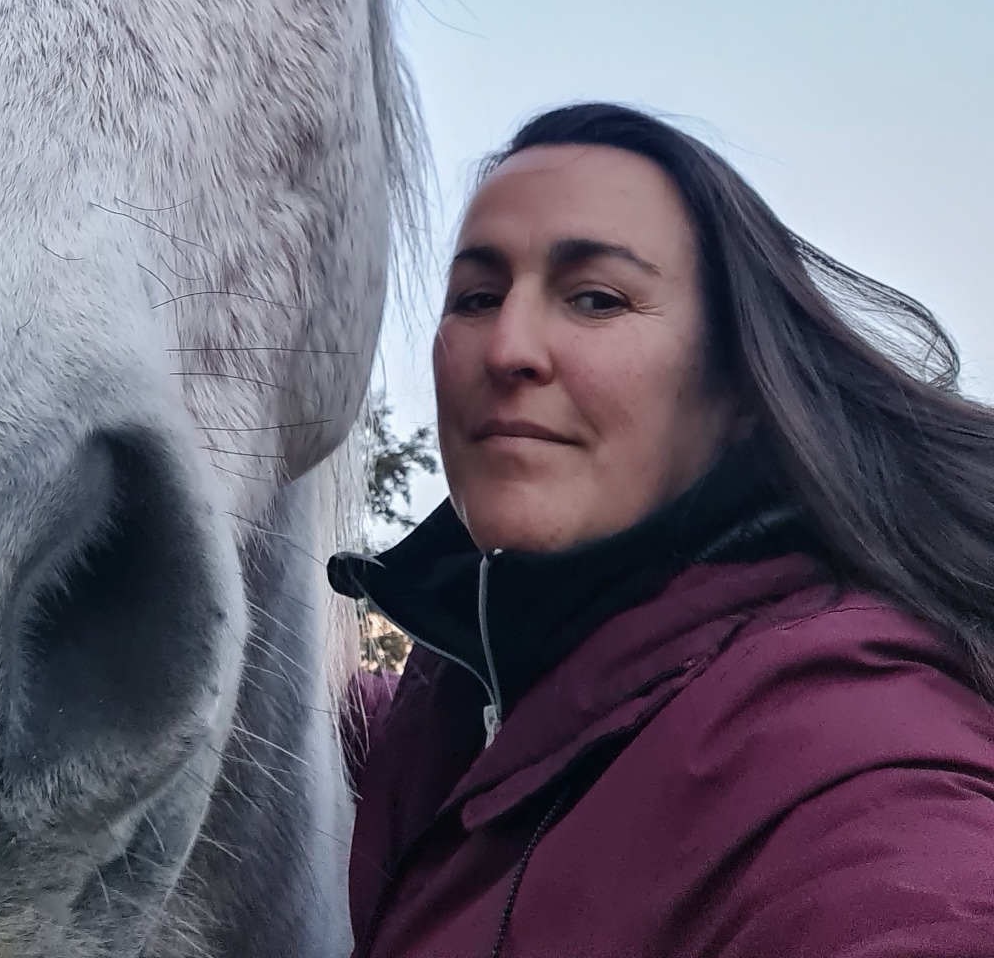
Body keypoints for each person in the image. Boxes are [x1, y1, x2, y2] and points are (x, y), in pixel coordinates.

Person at [329, 102, 994, 958]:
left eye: (596, 299)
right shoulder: (461, 697)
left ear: (738, 389)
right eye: (477, 298)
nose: (507, 347)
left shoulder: (848, 745)